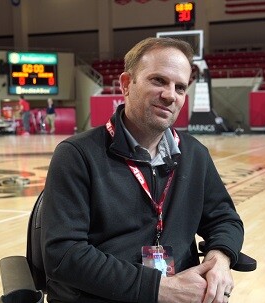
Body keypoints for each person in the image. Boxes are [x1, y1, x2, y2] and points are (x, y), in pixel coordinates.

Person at [40, 37, 244, 303]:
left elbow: (224, 218)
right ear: (126, 84)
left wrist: (220, 257)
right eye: (158, 80)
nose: (171, 94)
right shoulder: (77, 154)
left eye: (180, 87)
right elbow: (64, 255)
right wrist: (158, 289)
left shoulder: (194, 154)